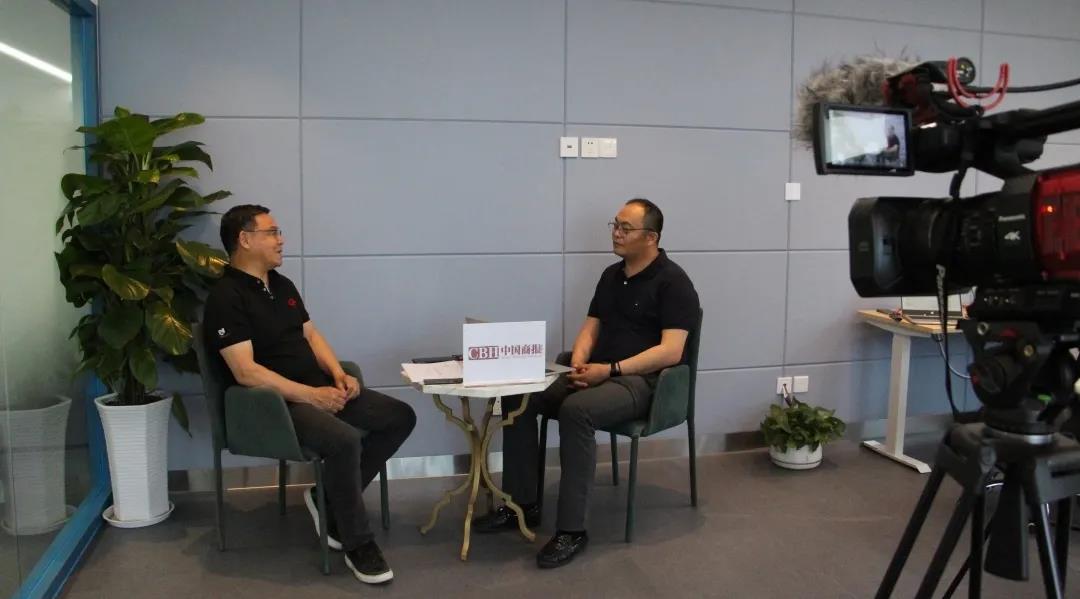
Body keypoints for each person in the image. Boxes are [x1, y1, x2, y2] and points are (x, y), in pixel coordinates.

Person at [473, 198, 700, 568]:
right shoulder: (611, 276)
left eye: (625, 228)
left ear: (651, 237)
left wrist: (610, 370)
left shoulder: (674, 282)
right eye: (615, 225)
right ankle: (521, 505)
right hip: (597, 371)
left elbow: (672, 351)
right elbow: (592, 326)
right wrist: (578, 360)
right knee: (519, 397)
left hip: (641, 384)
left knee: (576, 411)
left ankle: (571, 530)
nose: (616, 233)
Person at [202, 204, 416, 586]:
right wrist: (310, 396)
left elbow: (311, 335)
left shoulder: (281, 285)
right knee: (344, 441)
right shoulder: (226, 297)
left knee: (399, 416)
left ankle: (325, 499)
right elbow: (245, 372)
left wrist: (338, 374)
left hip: (316, 388)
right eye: (272, 232)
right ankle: (357, 542)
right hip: (274, 404)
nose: (281, 240)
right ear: (245, 240)